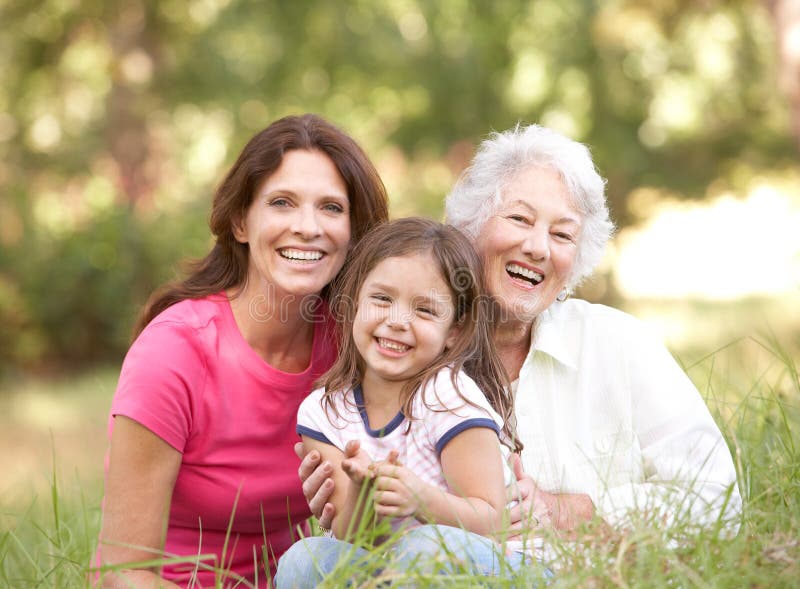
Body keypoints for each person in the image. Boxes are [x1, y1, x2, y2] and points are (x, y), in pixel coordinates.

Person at [287, 123, 742, 581]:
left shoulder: (617, 344)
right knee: (313, 558)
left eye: (563, 235)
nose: (538, 247)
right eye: (519, 219)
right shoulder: (406, 354)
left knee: (432, 550)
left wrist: (573, 510)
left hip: (562, 575)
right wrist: (355, 499)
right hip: (417, 567)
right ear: (470, 226)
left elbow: (716, 497)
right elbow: (363, 522)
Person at [94, 113, 389, 588]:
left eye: (332, 208)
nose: (308, 227)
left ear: (355, 233)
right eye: (282, 203)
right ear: (240, 222)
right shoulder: (174, 352)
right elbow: (121, 572)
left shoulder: (355, 347)